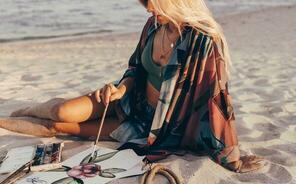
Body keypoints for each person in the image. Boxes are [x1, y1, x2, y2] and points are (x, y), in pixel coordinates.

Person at [0, 0, 263, 173]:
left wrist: (232, 158)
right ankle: (28, 108)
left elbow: (215, 99)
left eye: (153, 5)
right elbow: (135, 68)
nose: (149, 11)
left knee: (56, 128)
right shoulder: (153, 26)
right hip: (125, 98)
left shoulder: (204, 40)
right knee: (60, 112)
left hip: (150, 125)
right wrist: (121, 89)